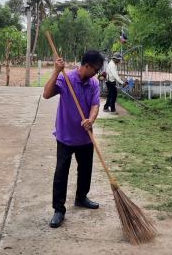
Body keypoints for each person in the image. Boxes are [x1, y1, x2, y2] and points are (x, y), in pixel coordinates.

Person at [43, 50, 104, 228]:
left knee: (85, 170)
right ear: (86, 66)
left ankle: (81, 197)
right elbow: (46, 94)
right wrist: (55, 71)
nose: (97, 73)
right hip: (65, 136)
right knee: (61, 173)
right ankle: (59, 209)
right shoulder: (66, 78)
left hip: (85, 137)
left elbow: (95, 105)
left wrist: (90, 120)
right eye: (96, 69)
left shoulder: (93, 83)